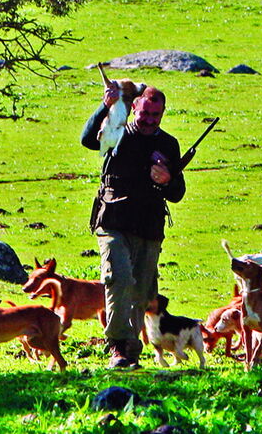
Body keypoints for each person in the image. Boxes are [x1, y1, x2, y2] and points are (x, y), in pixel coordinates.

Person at [81, 83, 186, 369]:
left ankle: (130, 350)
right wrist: (105, 106)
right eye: (145, 113)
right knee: (119, 278)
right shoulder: (117, 133)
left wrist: (167, 180)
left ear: (162, 113)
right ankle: (117, 345)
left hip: (149, 227)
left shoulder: (169, 144)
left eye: (156, 115)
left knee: (141, 292)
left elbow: (177, 193)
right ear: (135, 107)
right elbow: (88, 140)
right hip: (113, 220)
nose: (149, 119)